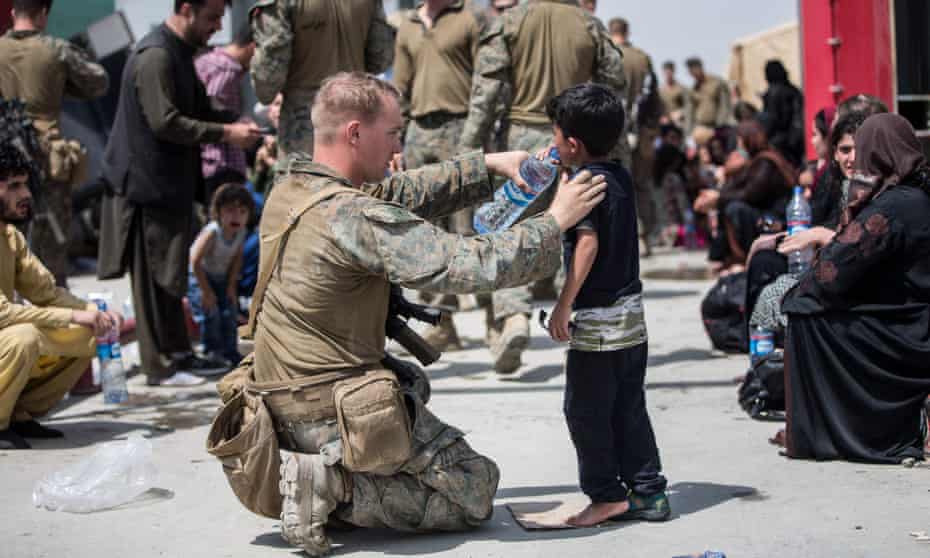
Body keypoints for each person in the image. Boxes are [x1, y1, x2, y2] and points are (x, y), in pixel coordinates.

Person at [244, 72, 607, 556]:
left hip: (280, 402)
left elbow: (400, 193)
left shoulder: (293, 189)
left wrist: (490, 166)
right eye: (393, 133)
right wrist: (554, 221)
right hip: (323, 410)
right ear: (355, 133)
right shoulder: (352, 217)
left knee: (409, 382)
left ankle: (324, 477)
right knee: (474, 488)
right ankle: (332, 486)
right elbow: (467, 264)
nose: (400, 144)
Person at [98, 0, 262, 387]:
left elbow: (198, 107)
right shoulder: (156, 56)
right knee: (154, 279)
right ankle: (161, 365)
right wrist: (225, 133)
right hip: (146, 186)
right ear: (187, 8)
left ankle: (180, 355)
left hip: (168, 185)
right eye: (212, 17)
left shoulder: (180, 53)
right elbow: (164, 120)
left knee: (170, 275)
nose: (218, 26)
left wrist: (236, 124)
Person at [459, 0, 627, 374]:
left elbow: (486, 92)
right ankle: (579, 326)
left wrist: (468, 148)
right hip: (580, 144)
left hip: (524, 140)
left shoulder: (512, 21)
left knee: (513, 232)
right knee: (583, 233)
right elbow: (616, 84)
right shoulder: (589, 24)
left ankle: (514, 316)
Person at [542, 83, 669, 527]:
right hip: (631, 315)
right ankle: (650, 492)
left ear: (573, 143)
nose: (552, 142)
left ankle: (605, 495)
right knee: (627, 405)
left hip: (596, 319)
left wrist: (563, 305)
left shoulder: (584, 182)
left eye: (555, 135)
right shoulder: (617, 176)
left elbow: (588, 244)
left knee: (585, 409)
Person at [782, 113, 930, 463]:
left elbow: (831, 275)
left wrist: (800, 290)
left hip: (908, 333)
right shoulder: (916, 195)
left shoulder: (892, 206)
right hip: (915, 320)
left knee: (803, 312)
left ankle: (834, 432)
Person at [0, 141, 122, 449]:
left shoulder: (9, 237)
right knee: (23, 337)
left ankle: (18, 414)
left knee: (91, 332)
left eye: (25, 186)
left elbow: (46, 292)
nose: (26, 195)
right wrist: (73, 314)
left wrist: (92, 311)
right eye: (14, 186)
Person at [392, 0, 488, 351]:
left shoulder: (469, 18)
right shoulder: (408, 25)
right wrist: (394, 138)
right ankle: (441, 323)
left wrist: (476, 134)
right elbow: (400, 87)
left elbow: (485, 82)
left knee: (467, 230)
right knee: (424, 232)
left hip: (460, 127)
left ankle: (497, 321)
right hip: (419, 131)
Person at [0, 0, 109, 287]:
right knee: (50, 254)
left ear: (13, 13)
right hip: (47, 161)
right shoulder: (56, 50)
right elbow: (98, 81)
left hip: (5, 162)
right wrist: (61, 85)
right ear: (44, 14)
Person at [249, 0, 396, 160]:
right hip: (356, 123)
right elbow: (381, 59)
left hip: (306, 130)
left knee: (300, 184)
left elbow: (267, 82)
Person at [607, 17, 661, 255]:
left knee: (616, 182)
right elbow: (653, 98)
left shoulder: (607, 55)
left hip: (614, 130)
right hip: (642, 131)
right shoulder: (642, 58)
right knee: (641, 184)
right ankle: (645, 236)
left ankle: (624, 236)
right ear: (627, 31)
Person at [713, 120, 795, 270]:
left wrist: (718, 198)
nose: (738, 146)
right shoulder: (754, 162)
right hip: (764, 216)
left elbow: (750, 194)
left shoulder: (766, 162)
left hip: (773, 222)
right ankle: (724, 256)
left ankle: (741, 258)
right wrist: (729, 173)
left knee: (735, 209)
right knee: (728, 205)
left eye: (740, 141)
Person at [187, 182, 253, 365]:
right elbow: (195, 261)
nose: (236, 216)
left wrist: (232, 285)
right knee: (211, 312)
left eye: (242, 212)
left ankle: (230, 350)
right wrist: (206, 291)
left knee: (229, 310)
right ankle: (212, 352)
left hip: (222, 277)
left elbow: (236, 260)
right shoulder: (213, 232)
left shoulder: (241, 233)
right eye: (230, 210)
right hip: (200, 277)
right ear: (218, 212)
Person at [195, 22, 256, 181]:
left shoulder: (208, 61)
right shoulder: (227, 70)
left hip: (206, 163)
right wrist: (241, 126)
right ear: (253, 48)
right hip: (222, 164)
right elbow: (212, 111)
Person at [760, 60, 804, 167]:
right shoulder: (794, 90)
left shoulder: (773, 92)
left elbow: (771, 120)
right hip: (796, 143)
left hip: (779, 144)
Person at [685, 57, 732, 144]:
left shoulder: (717, 83)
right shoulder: (693, 89)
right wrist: (688, 133)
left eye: (693, 70)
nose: (692, 74)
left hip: (717, 127)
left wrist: (719, 126)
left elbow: (725, 105)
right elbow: (690, 112)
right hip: (701, 128)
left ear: (700, 68)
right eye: (690, 72)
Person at [659, 60, 689, 129]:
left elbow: (689, 106)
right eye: (666, 72)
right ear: (663, 72)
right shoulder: (659, 90)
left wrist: (680, 112)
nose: (668, 75)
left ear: (674, 72)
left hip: (678, 122)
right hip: (663, 122)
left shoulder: (682, 89)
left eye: (670, 72)